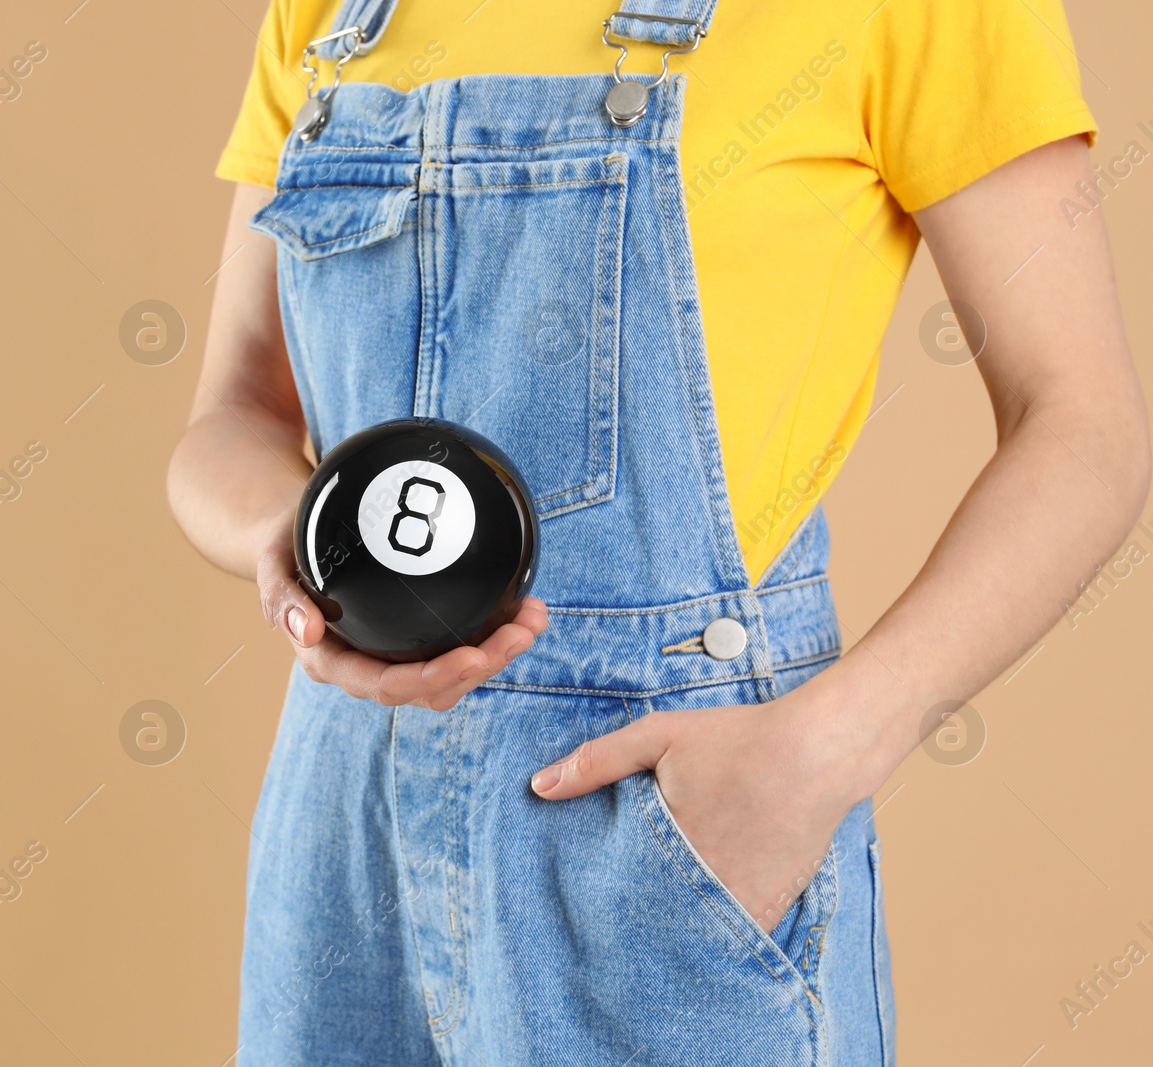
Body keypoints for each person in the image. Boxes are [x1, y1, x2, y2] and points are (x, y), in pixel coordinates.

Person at [167, 0, 1149, 1062]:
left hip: (658, 833)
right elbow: (233, 417)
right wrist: (293, 541)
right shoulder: (337, 13)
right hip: (343, 840)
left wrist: (813, 758)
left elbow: (1083, 428)